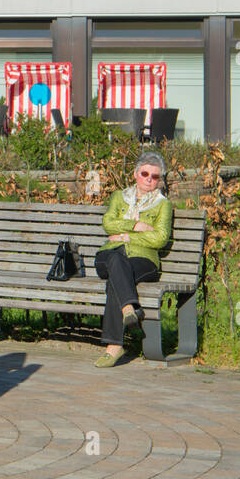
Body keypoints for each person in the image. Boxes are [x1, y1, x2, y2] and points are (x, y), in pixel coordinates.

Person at [93, 151, 173, 367]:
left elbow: (159, 238)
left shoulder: (162, 204)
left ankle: (114, 347)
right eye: (145, 173)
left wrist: (126, 236)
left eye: (155, 176)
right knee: (115, 261)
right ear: (136, 174)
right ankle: (129, 308)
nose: (149, 179)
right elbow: (108, 223)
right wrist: (136, 226)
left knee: (116, 275)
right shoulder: (119, 197)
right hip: (110, 254)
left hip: (143, 260)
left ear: (159, 180)